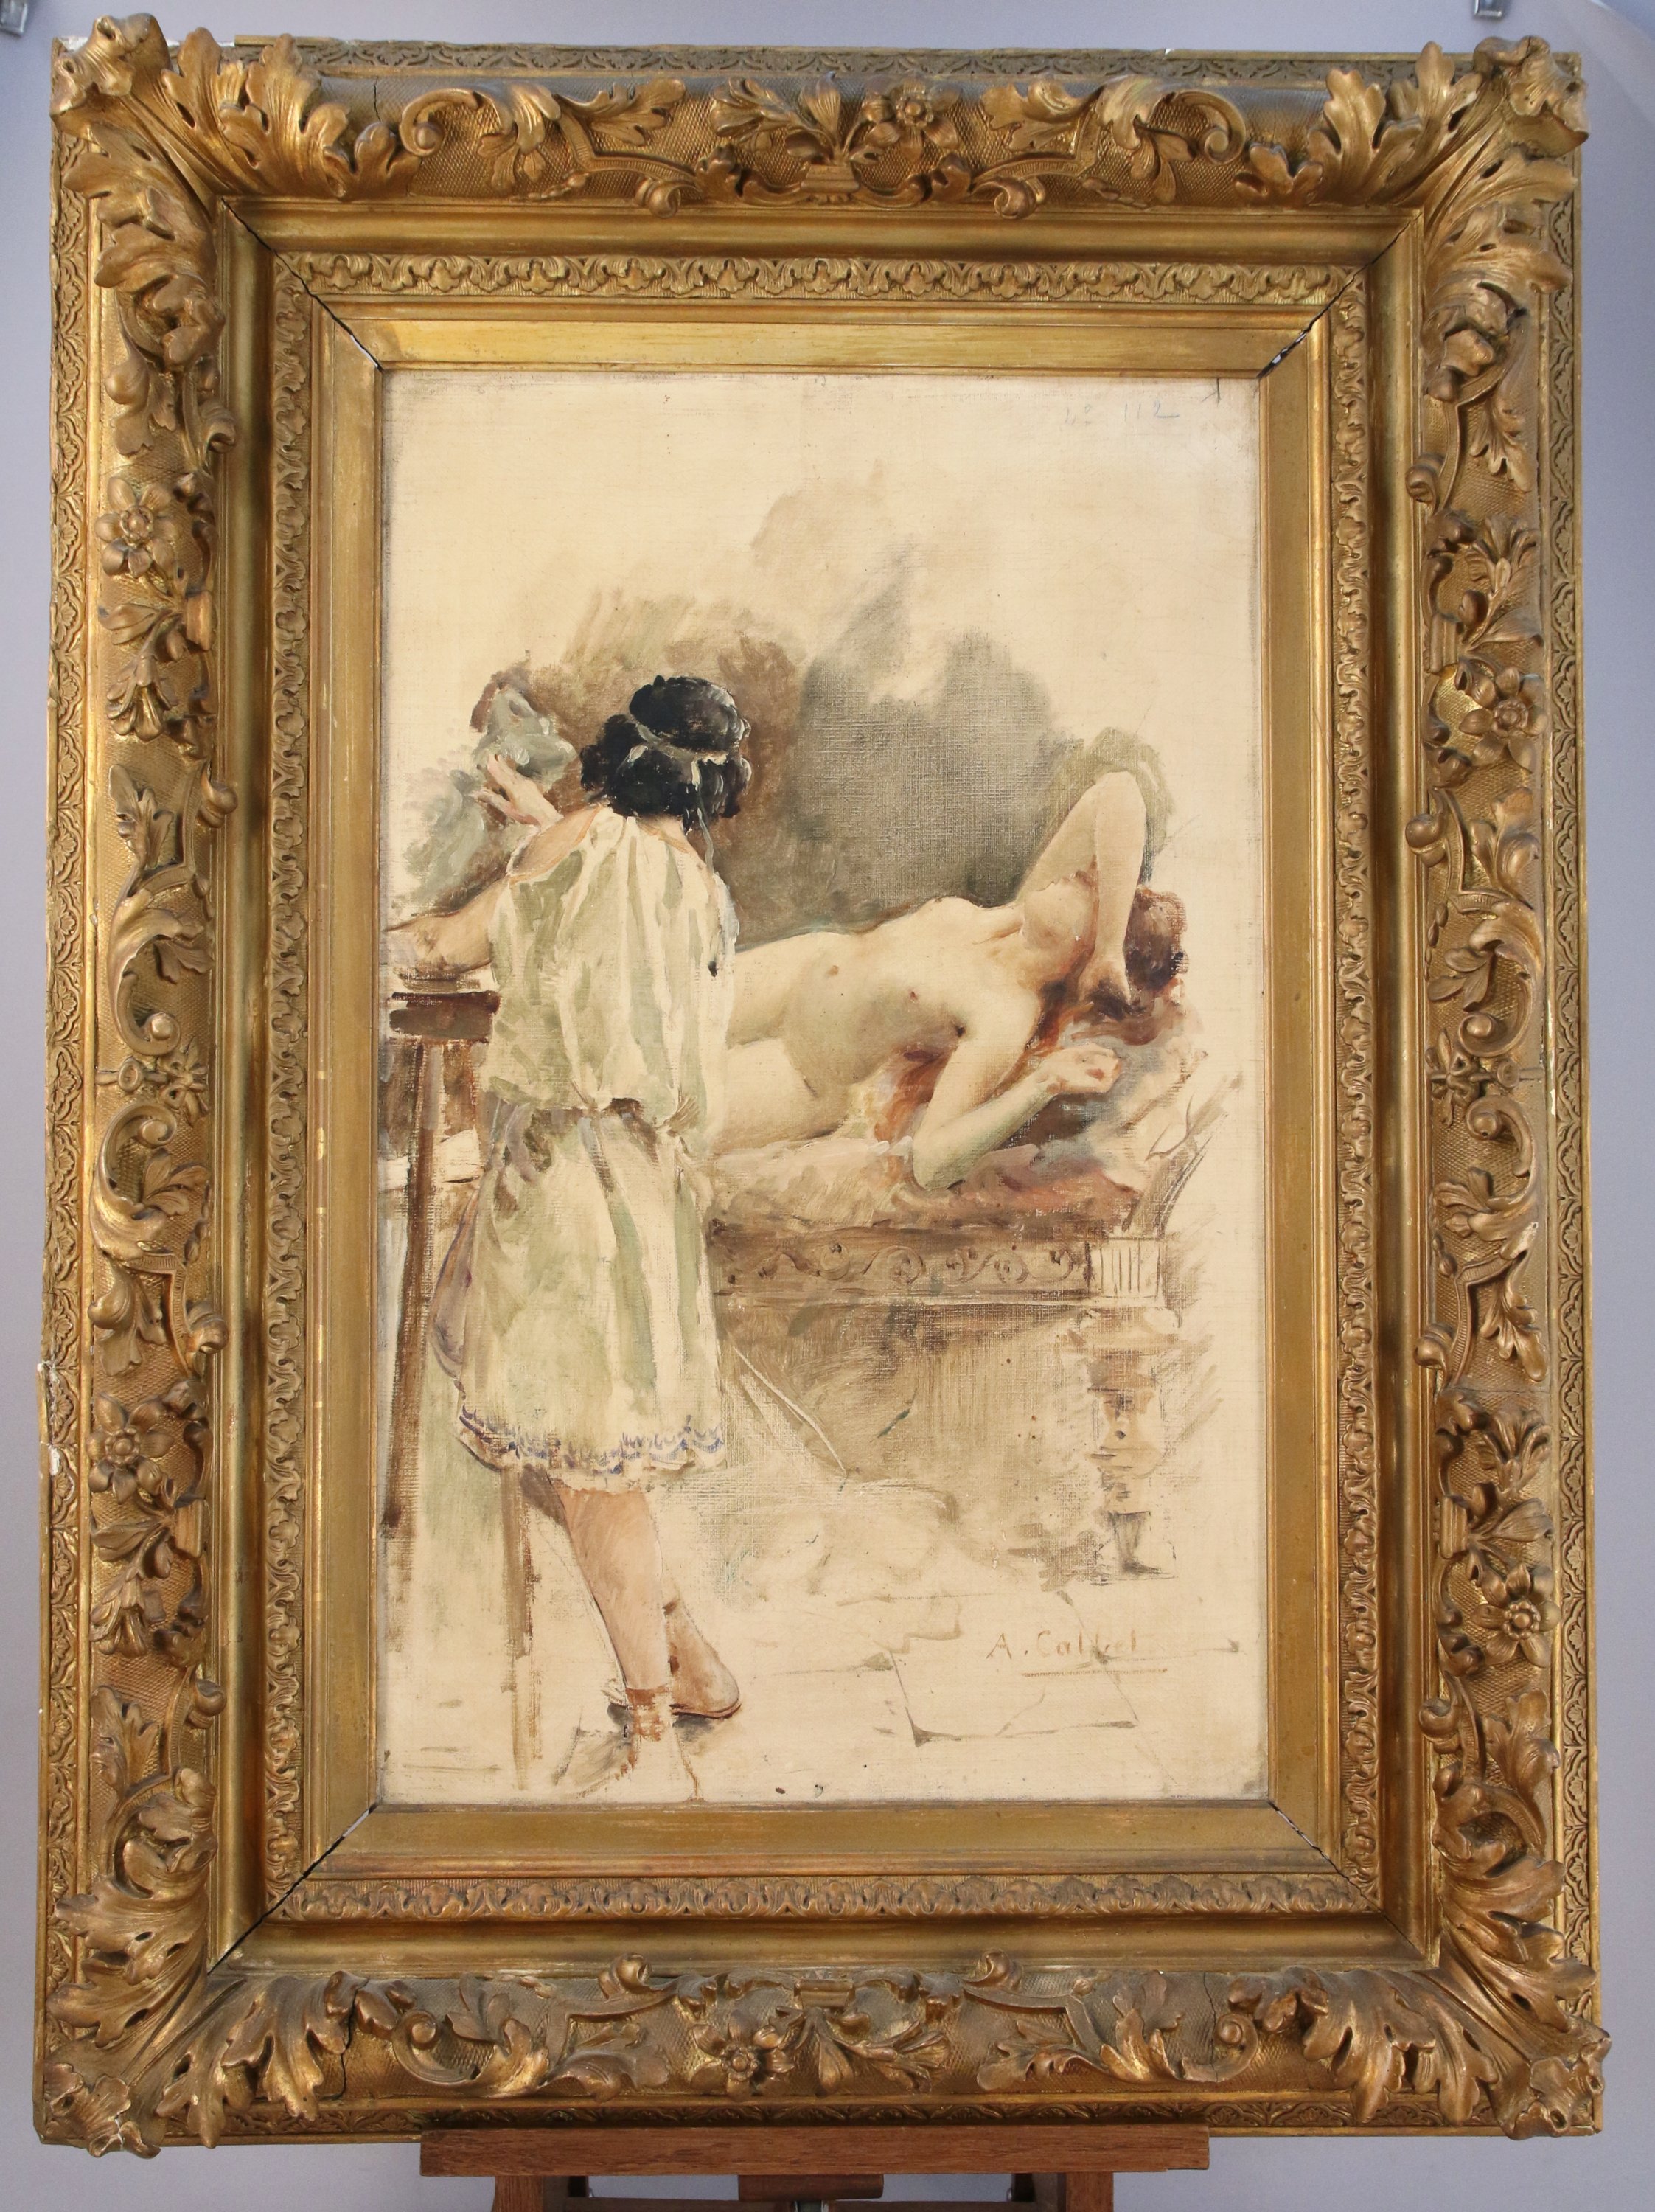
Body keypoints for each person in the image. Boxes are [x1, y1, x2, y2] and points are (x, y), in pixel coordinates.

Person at [386, 675, 751, 1801]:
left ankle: (653, 1739)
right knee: (577, 1450)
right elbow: (618, 903)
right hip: (645, 1189)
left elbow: (445, 948)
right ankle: (686, 1653)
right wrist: (546, 834)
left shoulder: (566, 851)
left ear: (611, 757)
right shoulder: (701, 892)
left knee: (584, 1466)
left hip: (559, 1193)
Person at [720, 771, 1186, 1190]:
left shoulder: (1006, 1012)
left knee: (679, 1098)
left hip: (797, 1068)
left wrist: (1044, 1083)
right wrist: (1109, 948)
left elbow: (932, 1162)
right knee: (676, 999)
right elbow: (1117, 790)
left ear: (1083, 957)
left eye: (1089, 887)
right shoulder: (1012, 917)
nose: (1080, 871)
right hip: (791, 971)